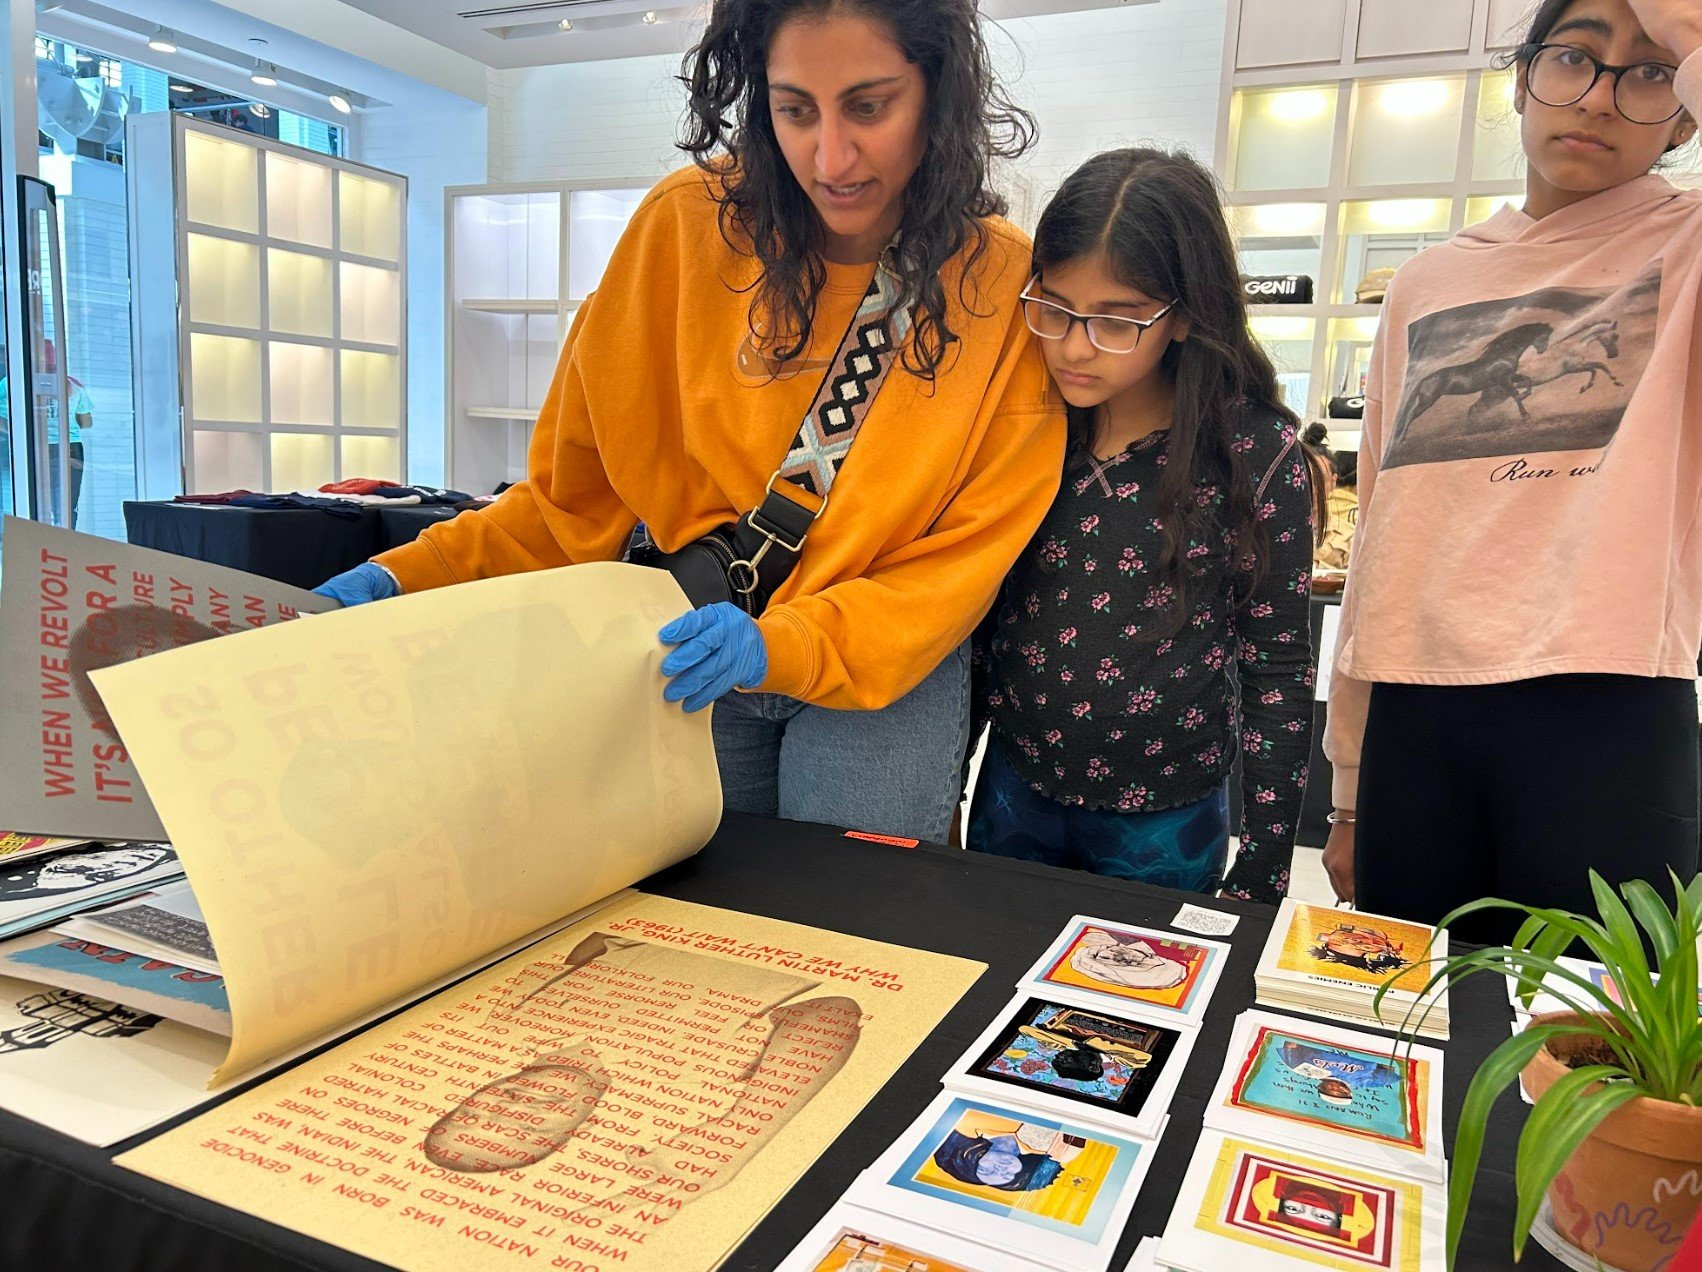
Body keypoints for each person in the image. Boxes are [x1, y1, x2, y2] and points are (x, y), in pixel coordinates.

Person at [312, 0, 1064, 843]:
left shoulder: (1000, 282)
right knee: (697, 901)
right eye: (795, 110)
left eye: (868, 106)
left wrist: (786, 646)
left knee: (848, 910)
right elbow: (570, 503)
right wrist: (402, 578)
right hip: (696, 643)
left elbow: (962, 563)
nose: (831, 157)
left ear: (938, 93)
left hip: (881, 676)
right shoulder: (682, 227)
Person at [1321, 0, 1702, 938]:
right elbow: (1383, 536)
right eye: (1575, 57)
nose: (1600, 98)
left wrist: (1689, 30)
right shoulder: (1427, 282)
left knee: (1583, 1017)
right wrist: (1350, 787)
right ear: (1523, 76)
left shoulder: (1688, 246)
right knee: (1413, 1003)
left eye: (1650, 73)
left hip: (1606, 696)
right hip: (1416, 708)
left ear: (1686, 116)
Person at [967, 148, 1316, 903]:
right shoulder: (1025, 426)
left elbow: (1279, 666)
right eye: (1054, 307)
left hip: (1166, 818)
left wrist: (1264, 866)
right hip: (1015, 788)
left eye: (1117, 321)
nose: (1074, 346)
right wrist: (942, 775)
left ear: (1185, 315)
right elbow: (978, 620)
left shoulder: (1255, 452)